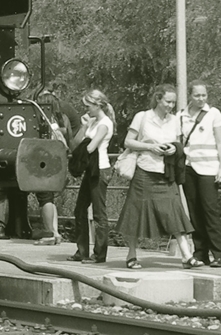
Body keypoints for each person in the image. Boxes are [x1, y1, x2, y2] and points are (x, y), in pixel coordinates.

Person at [116, 84, 202, 269]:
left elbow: (178, 143)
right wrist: (150, 147)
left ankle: (187, 256)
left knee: (174, 211)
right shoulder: (142, 117)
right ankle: (131, 255)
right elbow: (128, 141)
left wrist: (173, 148)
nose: (171, 105)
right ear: (158, 99)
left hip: (166, 172)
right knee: (135, 213)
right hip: (144, 171)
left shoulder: (174, 120)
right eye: (167, 101)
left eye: (173, 102)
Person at [180, 81, 221, 268]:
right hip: (189, 167)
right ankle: (200, 253)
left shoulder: (213, 114)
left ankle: (220, 254)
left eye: (204, 95)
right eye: (197, 95)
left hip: (209, 168)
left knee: (210, 211)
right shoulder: (181, 116)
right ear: (190, 96)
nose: (201, 99)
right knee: (194, 211)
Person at [69, 89, 114, 263]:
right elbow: (77, 142)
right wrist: (85, 126)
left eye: (88, 106)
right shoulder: (94, 123)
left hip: (100, 169)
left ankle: (100, 253)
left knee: (99, 213)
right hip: (91, 169)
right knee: (80, 209)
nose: (86, 109)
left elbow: (90, 147)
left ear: (97, 105)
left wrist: (81, 150)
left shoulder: (105, 124)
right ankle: (82, 250)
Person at [32, 90, 71, 245]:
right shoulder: (59, 120)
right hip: (57, 163)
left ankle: (50, 232)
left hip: (45, 162)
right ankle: (56, 232)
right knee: (50, 198)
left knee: (45, 198)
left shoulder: (45, 122)